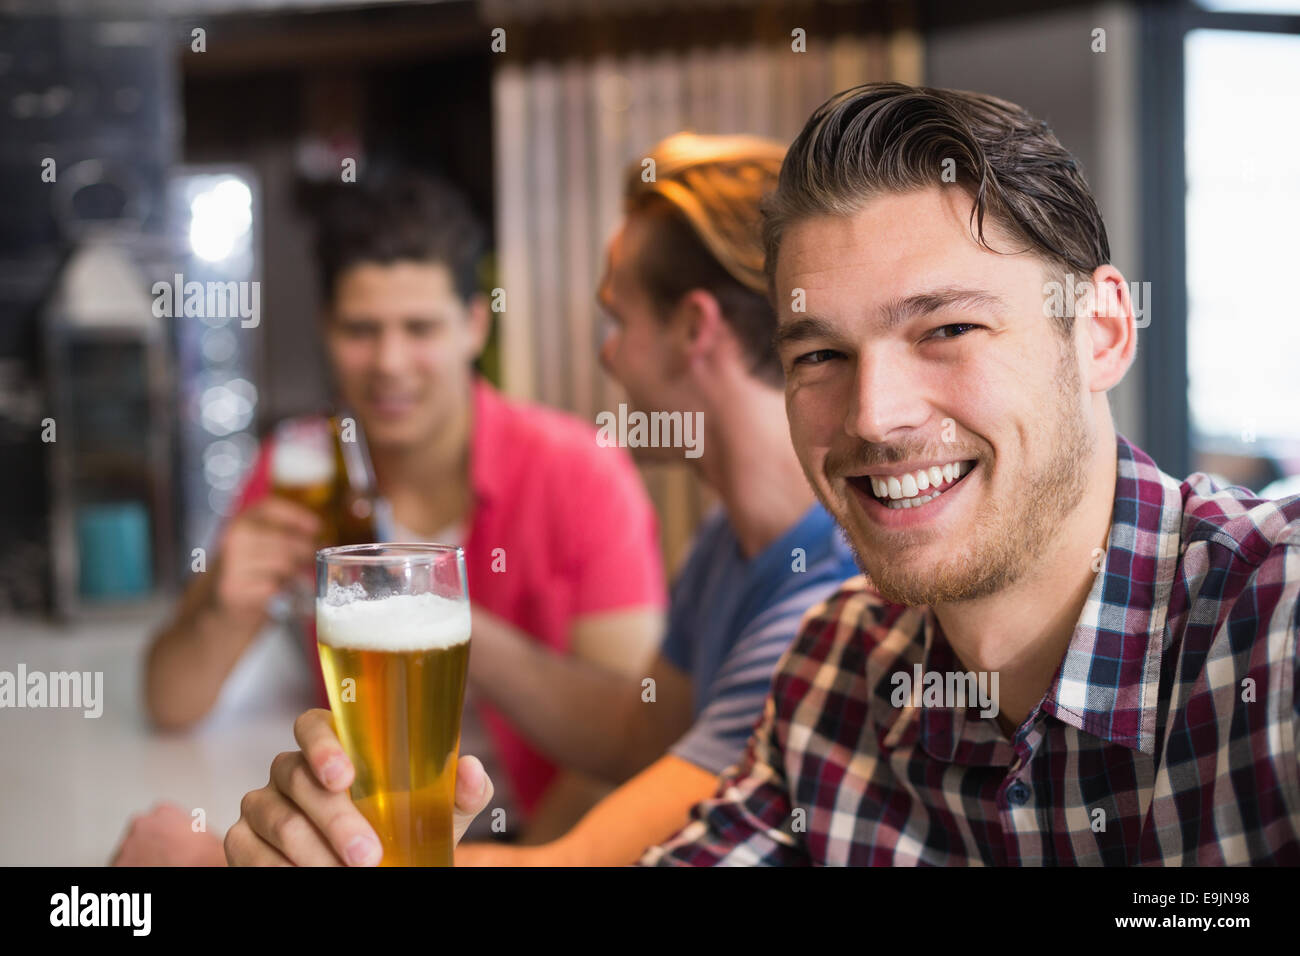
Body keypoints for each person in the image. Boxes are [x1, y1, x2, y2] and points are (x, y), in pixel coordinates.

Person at [640, 82, 1300, 864]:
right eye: (820, 355)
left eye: (948, 327)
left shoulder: (1277, 627)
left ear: (1103, 331)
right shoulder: (837, 669)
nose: (874, 417)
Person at [225, 133, 860, 867]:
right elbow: (633, 736)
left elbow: (577, 865)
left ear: (694, 330)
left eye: (616, 322)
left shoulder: (827, 602)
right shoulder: (730, 542)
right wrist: (424, 615)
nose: (604, 355)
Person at [133, 174, 666, 860]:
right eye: (361, 330)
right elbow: (168, 700)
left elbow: (623, 744)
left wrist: (440, 620)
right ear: (327, 330)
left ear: (474, 325)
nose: (389, 363)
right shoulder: (301, 469)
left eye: (419, 328)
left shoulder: (579, 472)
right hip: (363, 840)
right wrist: (221, 609)